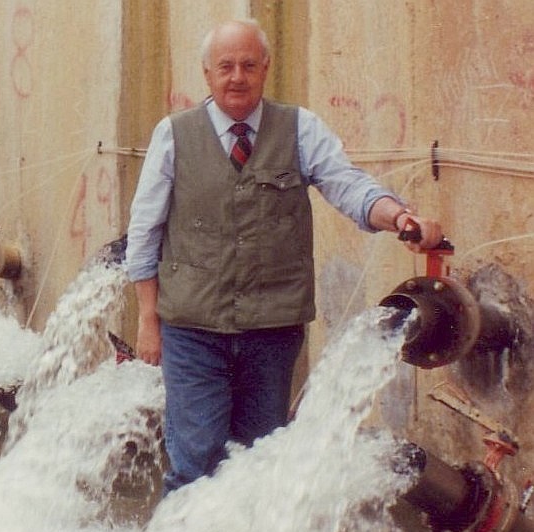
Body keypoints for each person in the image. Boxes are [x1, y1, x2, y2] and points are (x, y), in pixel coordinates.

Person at [124, 18, 443, 495]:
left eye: (249, 65)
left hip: (271, 334)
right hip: (192, 331)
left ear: (265, 69)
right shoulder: (173, 136)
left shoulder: (299, 128)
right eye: (226, 66)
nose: (238, 76)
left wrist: (398, 217)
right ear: (207, 73)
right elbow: (144, 232)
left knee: (260, 462)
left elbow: (347, 184)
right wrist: (149, 319)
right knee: (194, 463)